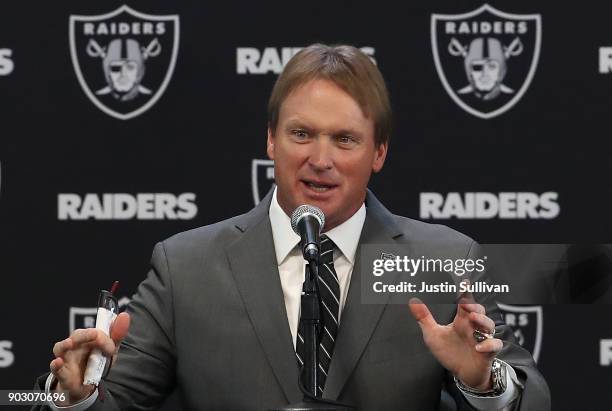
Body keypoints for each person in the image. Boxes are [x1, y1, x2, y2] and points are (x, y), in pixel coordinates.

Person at [34, 44, 550, 410]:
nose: (319, 159)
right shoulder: (186, 267)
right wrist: (74, 398)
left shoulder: (441, 262)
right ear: (271, 142)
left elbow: (533, 396)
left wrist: (483, 380)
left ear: (379, 153)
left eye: (344, 140)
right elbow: (104, 402)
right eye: (301, 133)